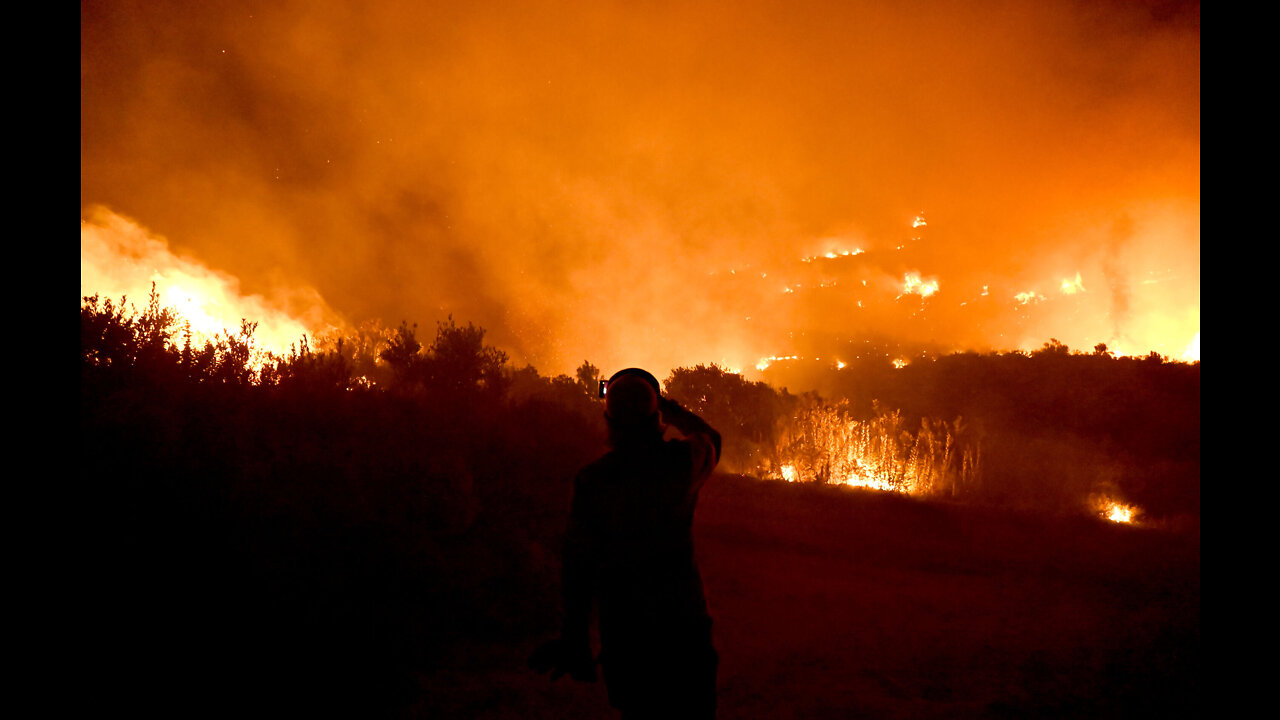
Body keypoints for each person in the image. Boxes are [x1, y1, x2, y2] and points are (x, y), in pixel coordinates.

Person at [530, 368, 722, 719]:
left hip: (628, 638)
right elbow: (710, 438)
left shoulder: (594, 480)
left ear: (609, 421)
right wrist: (670, 407)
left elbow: (578, 566)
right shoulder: (681, 464)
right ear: (657, 419)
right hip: (684, 630)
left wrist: (575, 641)